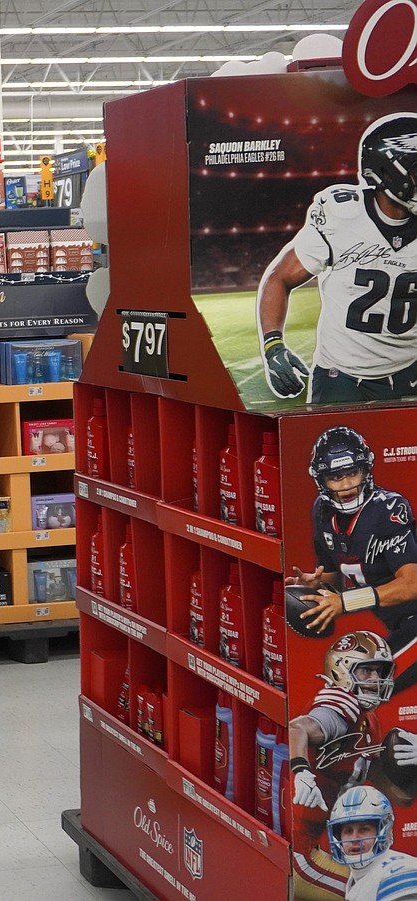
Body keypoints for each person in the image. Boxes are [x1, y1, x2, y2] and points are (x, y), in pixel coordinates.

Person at [257, 113, 417, 403]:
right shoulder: (343, 215)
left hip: (410, 371)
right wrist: (273, 346)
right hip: (341, 377)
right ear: (388, 172)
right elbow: (280, 278)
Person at [292, 427, 417, 695]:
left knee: (364, 686)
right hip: (401, 623)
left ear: (366, 470)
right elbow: (337, 581)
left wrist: (345, 602)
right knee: (348, 678)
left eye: (352, 473)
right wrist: (317, 585)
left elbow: (411, 585)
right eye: (336, 477)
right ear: (322, 480)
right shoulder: (322, 512)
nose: (347, 484)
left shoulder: (388, 508)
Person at [289, 630, 412, 899]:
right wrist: (301, 770)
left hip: (314, 847)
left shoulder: (369, 720)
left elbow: (401, 796)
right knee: (385, 893)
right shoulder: (340, 704)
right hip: (298, 854)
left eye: (380, 671)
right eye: (366, 671)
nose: (375, 679)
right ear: (341, 671)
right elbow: (297, 728)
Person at [328, 785, 417, 900]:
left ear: (383, 830)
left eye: (364, 829)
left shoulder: (399, 872)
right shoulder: (359, 875)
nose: (354, 838)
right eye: (348, 831)